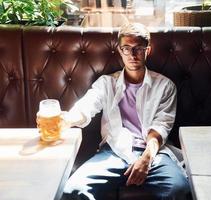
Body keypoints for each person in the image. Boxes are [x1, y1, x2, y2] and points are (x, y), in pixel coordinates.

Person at [61, 22, 190, 200]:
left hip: (154, 154)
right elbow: (87, 106)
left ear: (148, 51)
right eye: (127, 48)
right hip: (114, 151)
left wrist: (146, 159)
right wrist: (66, 119)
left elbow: (161, 128)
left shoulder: (165, 86)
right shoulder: (107, 83)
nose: (132, 55)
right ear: (120, 51)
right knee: (73, 190)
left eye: (138, 48)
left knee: (179, 189)